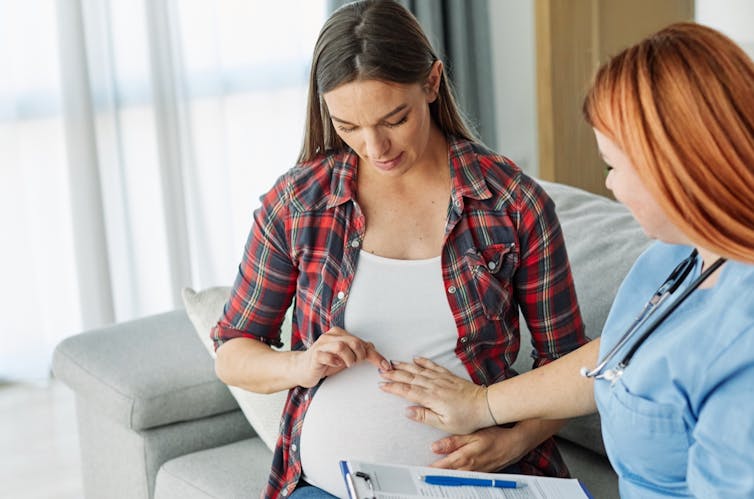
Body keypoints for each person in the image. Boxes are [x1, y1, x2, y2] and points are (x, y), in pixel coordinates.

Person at [211, 1, 587, 497]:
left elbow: (571, 367)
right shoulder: (299, 202)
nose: (374, 147)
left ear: (431, 83)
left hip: (480, 484)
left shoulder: (512, 203)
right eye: (348, 127)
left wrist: (514, 441)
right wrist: (299, 365)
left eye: (394, 118)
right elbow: (233, 351)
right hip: (325, 488)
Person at [379, 22, 754, 499]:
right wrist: (481, 404)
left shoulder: (743, 348)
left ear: (677, 169)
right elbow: (621, 357)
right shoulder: (676, 256)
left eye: (614, 166)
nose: (610, 186)